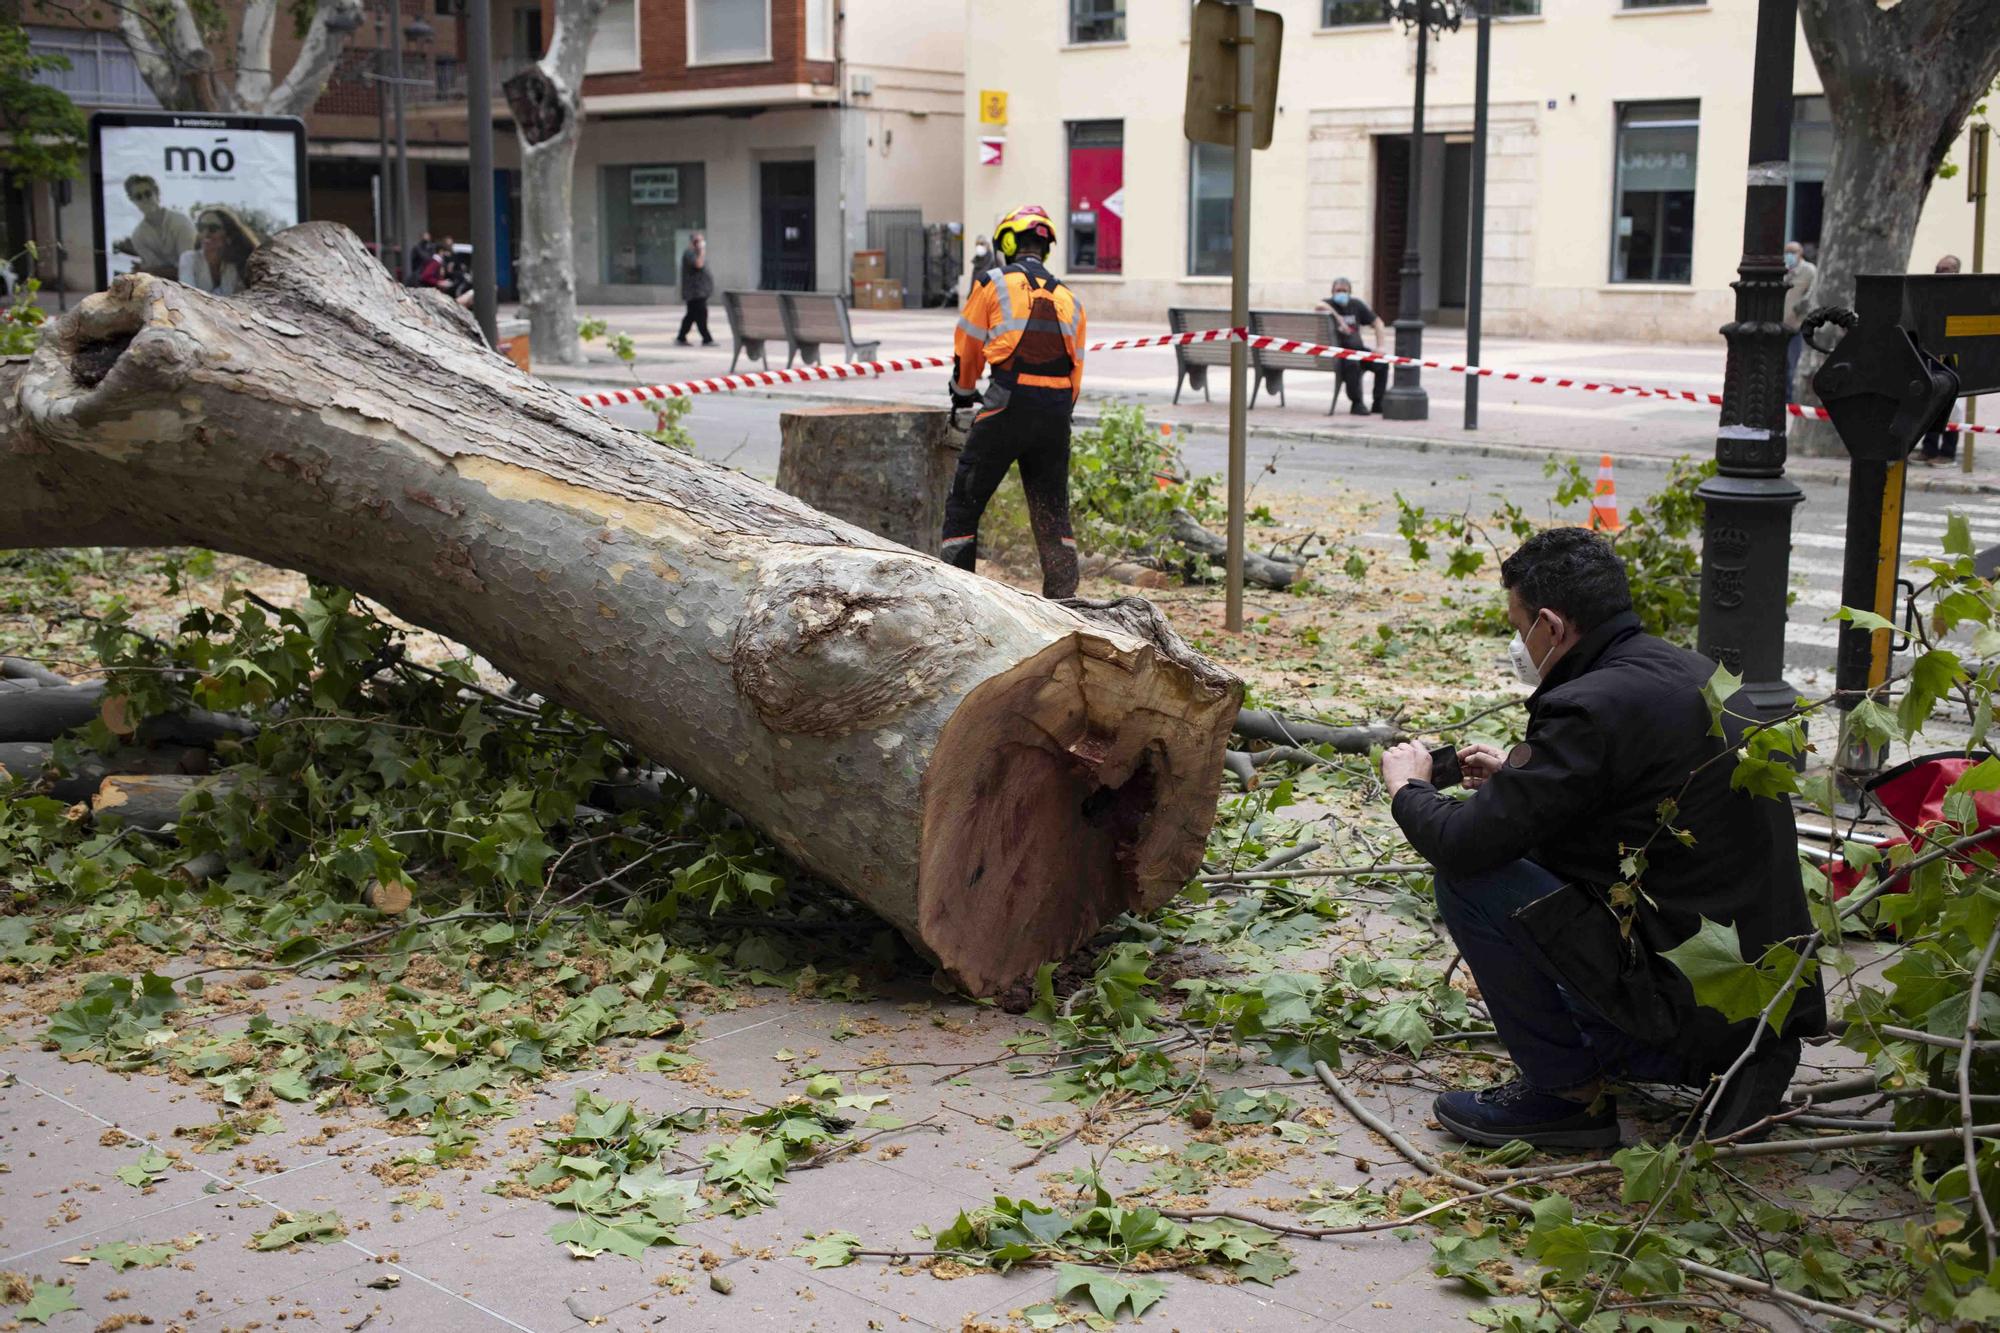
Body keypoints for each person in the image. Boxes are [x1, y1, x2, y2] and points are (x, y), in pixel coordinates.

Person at [1379, 528, 1825, 1151]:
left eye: (1518, 625)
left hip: (1688, 1003)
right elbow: (1641, 813)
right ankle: (1707, 1055)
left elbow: (1464, 846)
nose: (1518, 642)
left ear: (1551, 626)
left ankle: (1565, 1097)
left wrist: (1409, 789)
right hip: (1758, 996)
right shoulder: (1690, 671)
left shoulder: (1586, 706)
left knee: (1473, 880)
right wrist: (1520, 785)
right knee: (1526, 853)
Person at [942, 204, 1087, 600]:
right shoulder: (1069, 297)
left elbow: (968, 347)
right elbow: (1076, 372)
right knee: (1052, 512)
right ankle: (1066, 606)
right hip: (1056, 411)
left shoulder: (992, 282)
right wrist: (1057, 413)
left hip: (1008, 404)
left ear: (1007, 242)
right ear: (1046, 249)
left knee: (964, 504)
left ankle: (956, 600)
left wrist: (963, 390)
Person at [1315, 277, 1386, 415]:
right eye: (1338, 291)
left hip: (1358, 351)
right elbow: (1319, 305)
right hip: (1339, 354)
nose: (1341, 293)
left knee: (1382, 363)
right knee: (1352, 364)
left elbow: (1378, 323)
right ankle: (1357, 403)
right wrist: (1339, 319)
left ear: (1350, 292)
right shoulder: (1329, 304)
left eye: (1344, 291)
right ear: (1332, 292)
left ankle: (1378, 402)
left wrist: (1380, 346)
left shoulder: (1356, 305)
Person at [1921, 255, 1964, 464]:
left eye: (1945, 269)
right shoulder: (1930, 292)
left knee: (1952, 406)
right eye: (1938, 267)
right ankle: (1928, 449)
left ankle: (1947, 453)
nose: (1939, 271)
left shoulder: (1962, 294)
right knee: (1930, 399)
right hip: (1932, 351)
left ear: (1955, 271)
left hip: (1953, 354)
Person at [113, 175, 194, 280]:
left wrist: (149, 271)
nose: (145, 199)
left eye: (148, 194)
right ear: (132, 200)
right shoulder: (138, 236)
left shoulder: (181, 221)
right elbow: (155, 272)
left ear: (156, 193)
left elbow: (188, 268)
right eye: (139, 197)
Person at [177, 206, 259, 296]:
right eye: (201, 227)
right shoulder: (188, 259)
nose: (206, 234)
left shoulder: (234, 265)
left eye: (213, 228)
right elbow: (187, 295)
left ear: (228, 235)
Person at [1782, 241, 1817, 405]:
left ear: (1800, 253)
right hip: (1782, 326)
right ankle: (1786, 396)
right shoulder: (1784, 271)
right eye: (1787, 252)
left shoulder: (1809, 271)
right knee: (1783, 365)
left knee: (1795, 363)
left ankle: (1795, 398)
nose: (1789, 255)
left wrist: (1799, 309)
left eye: (1793, 252)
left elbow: (1812, 295)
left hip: (1798, 326)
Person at [678, 232, 714, 346]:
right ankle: (707, 338)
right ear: (694, 242)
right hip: (695, 292)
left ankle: (681, 337)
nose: (702, 243)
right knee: (701, 315)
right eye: (699, 241)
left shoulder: (696, 253)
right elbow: (698, 264)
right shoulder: (690, 253)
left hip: (699, 292)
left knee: (691, 315)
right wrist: (702, 251)